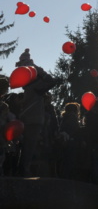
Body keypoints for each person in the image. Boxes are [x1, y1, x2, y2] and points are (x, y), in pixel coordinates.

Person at [15, 48, 58, 177]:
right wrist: (37, 68)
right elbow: (52, 81)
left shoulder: (26, 88)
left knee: (20, 146)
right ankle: (24, 169)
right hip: (34, 119)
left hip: (24, 117)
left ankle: (18, 168)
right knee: (29, 145)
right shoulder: (36, 88)